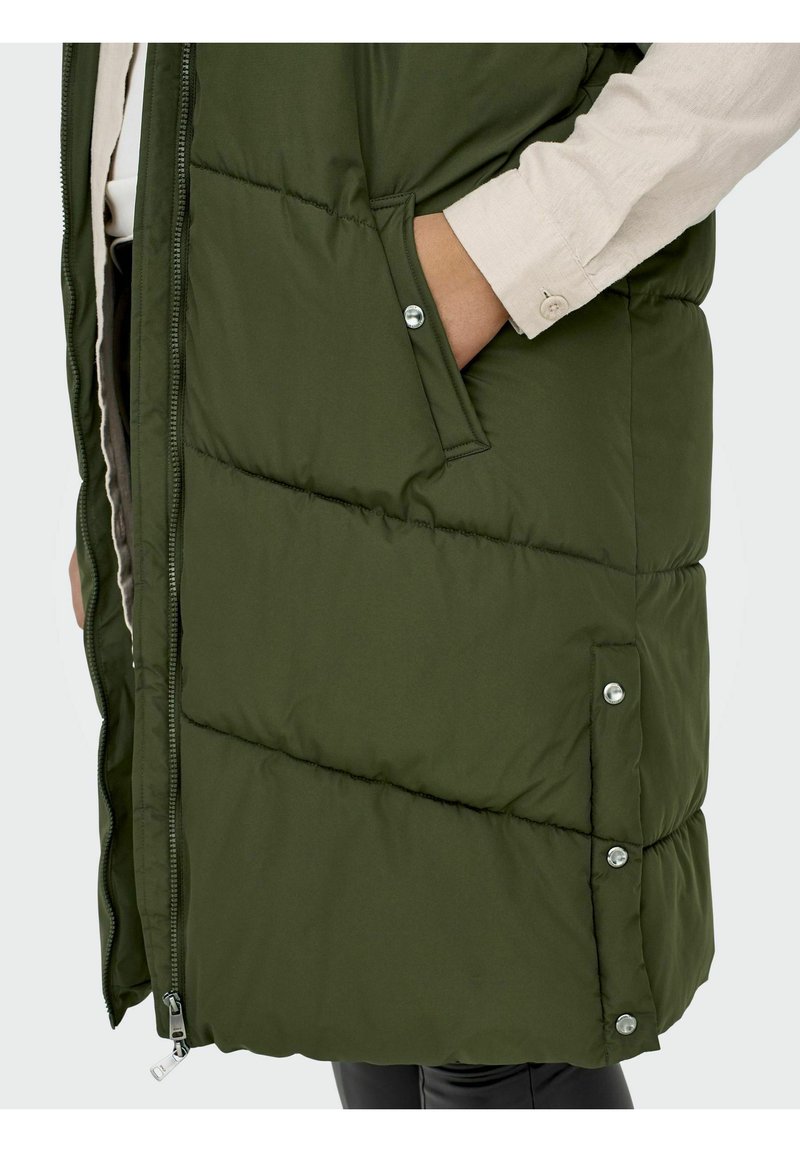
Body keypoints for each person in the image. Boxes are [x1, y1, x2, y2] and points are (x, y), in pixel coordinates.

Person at [63, 43, 800, 1108]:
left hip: (473, 363)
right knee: (364, 984)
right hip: (208, 354)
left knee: (497, 999)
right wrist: (120, 480)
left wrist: (496, 255)